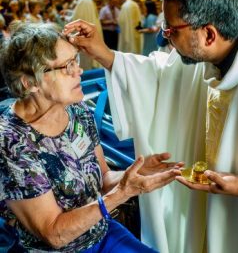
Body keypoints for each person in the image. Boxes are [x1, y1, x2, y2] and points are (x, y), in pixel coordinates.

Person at [63, 0, 238, 253]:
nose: (165, 36)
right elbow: (162, 75)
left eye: (172, 29)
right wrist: (104, 53)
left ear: (209, 34)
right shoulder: (221, 42)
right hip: (209, 220)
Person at [0, 22, 182, 252]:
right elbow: (53, 234)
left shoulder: (78, 111)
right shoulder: (12, 140)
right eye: (66, 66)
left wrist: (133, 174)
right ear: (30, 82)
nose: (79, 71)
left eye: (75, 60)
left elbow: (104, 178)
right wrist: (122, 193)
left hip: (100, 232)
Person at [69, 0, 103, 70]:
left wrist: (66, 19)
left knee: (86, 63)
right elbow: (80, 16)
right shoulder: (86, 0)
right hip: (89, 35)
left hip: (86, 36)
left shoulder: (83, 1)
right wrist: (68, 14)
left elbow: (77, 20)